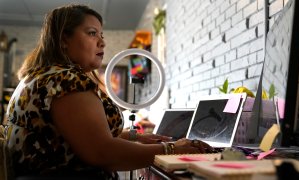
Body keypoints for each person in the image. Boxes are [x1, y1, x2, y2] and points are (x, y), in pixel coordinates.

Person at [4, 4, 214, 180]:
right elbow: (103, 152)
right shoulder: (64, 81)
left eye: (101, 34)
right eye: (92, 33)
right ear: (63, 40)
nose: (102, 42)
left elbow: (72, 135)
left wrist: (134, 137)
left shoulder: (39, 76)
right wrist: (174, 149)